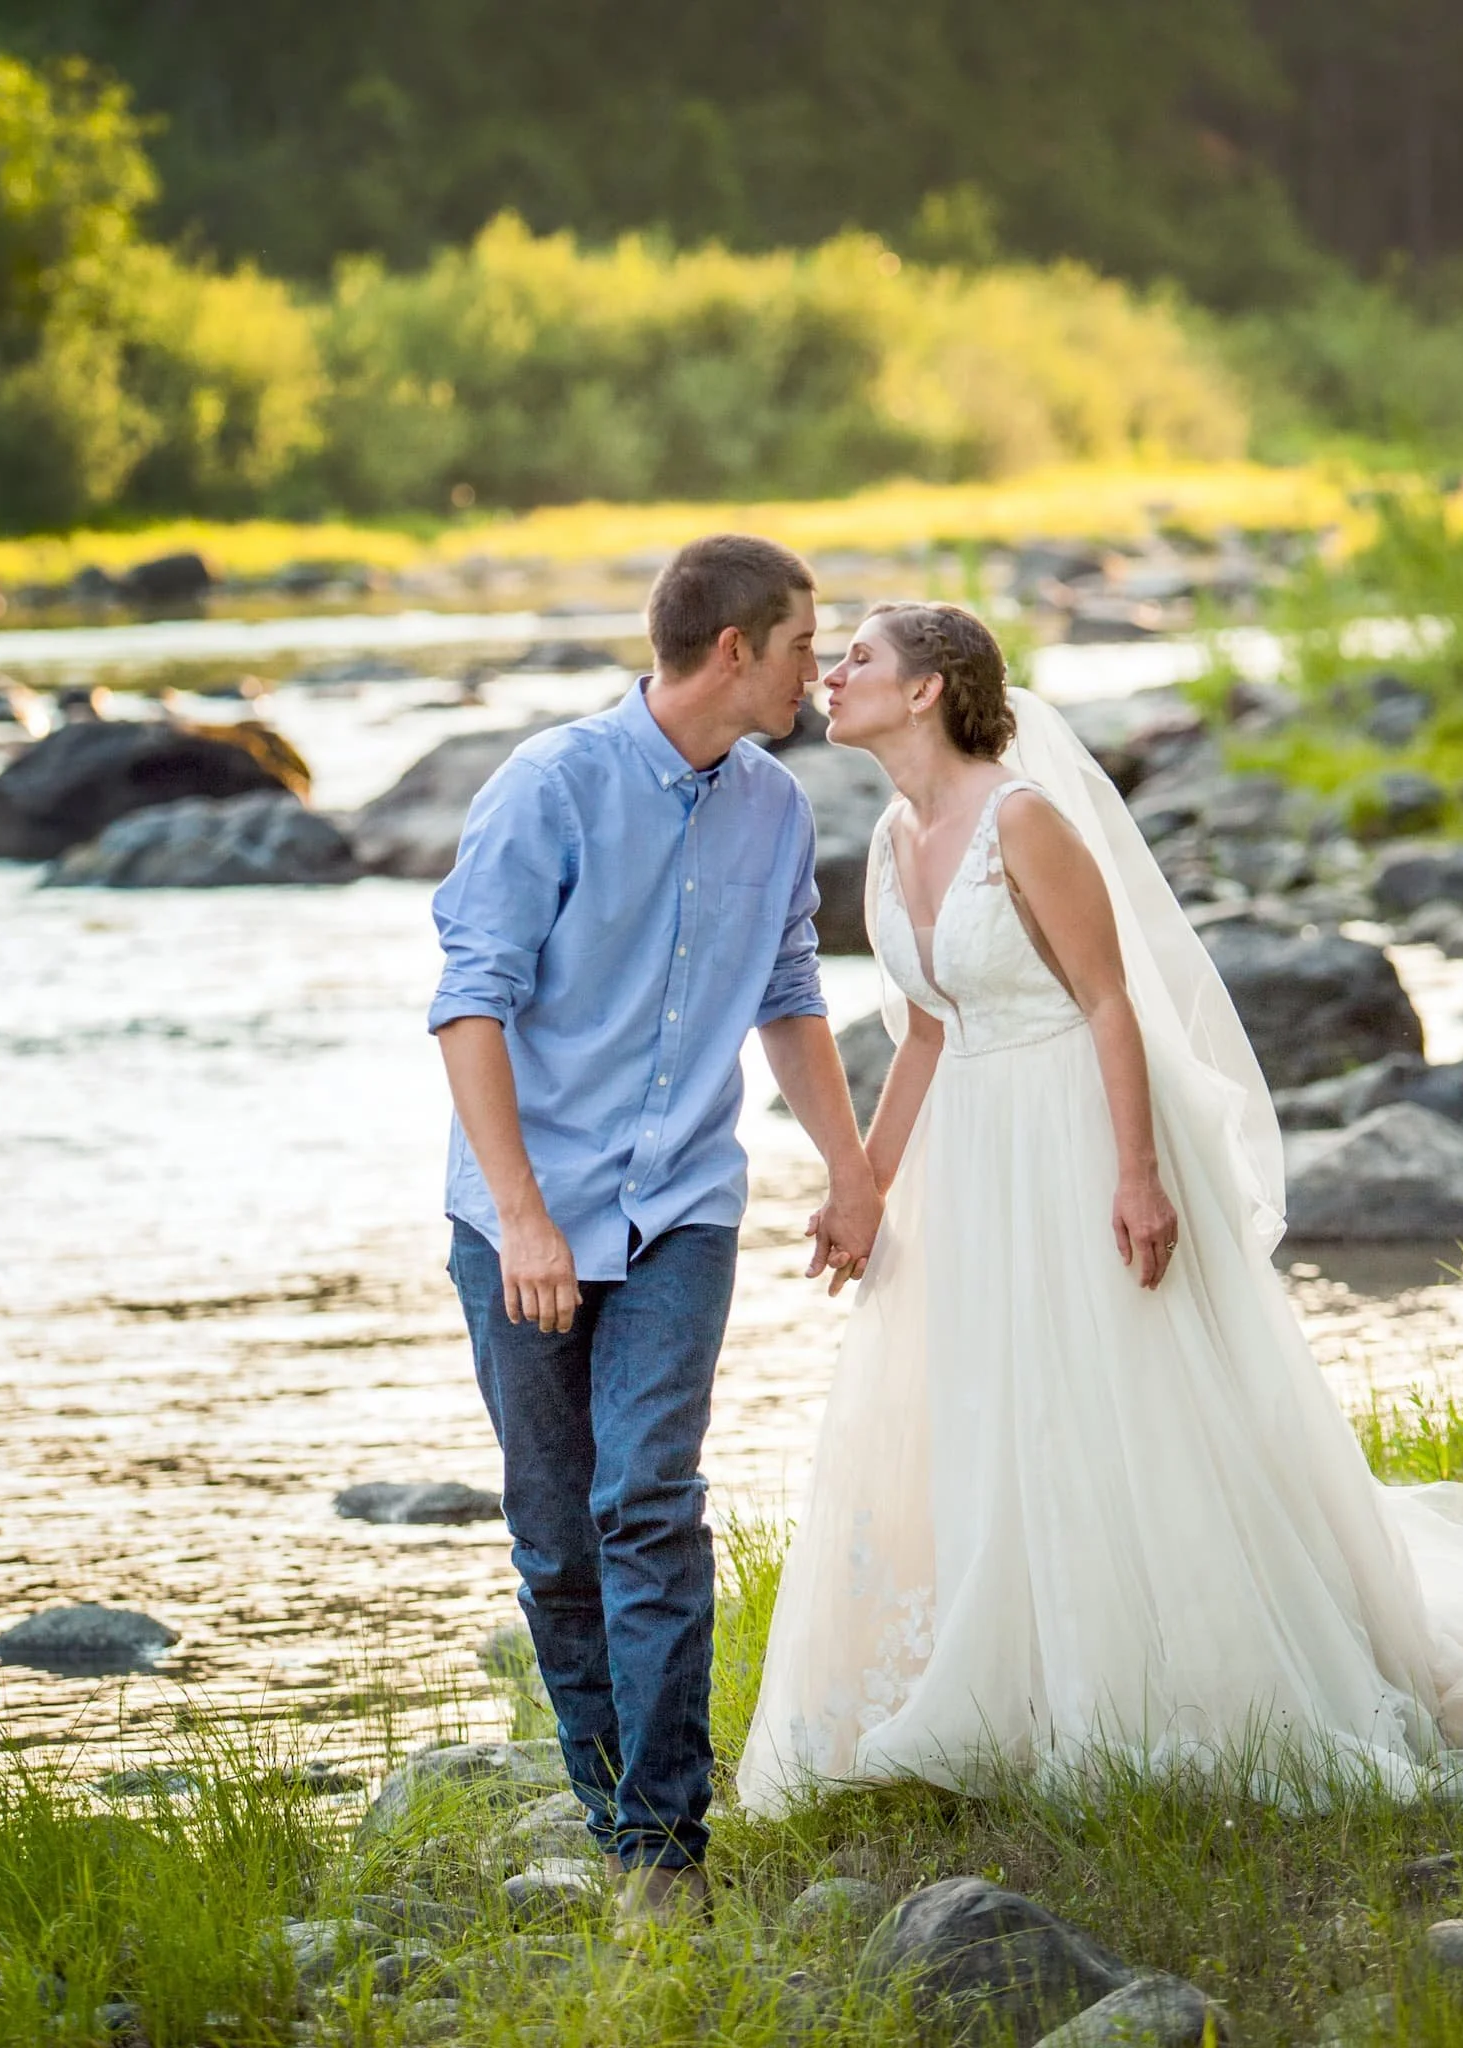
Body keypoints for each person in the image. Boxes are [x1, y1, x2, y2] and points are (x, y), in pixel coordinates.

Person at [737, 601, 1463, 1814]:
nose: (832, 673)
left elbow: (1105, 1003)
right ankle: (1010, 1672)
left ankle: (1153, 1676)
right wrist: (865, 1188)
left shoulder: (1020, 822)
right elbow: (925, 1034)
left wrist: (1134, 1172)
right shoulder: (885, 837)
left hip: (1074, 1129)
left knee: (1109, 1396)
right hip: (969, 1150)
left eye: (858, 658)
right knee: (985, 1397)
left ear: (928, 689)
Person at [429, 535, 882, 1932]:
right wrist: (522, 1217)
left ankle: (661, 1849)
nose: (825, 670)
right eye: (806, 645)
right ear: (735, 649)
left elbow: (790, 997)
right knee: (557, 1538)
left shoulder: (777, 809)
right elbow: (470, 1008)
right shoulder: (549, 788)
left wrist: (852, 1171)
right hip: (523, 1217)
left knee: (648, 1502)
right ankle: (608, 1801)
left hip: (683, 1202)